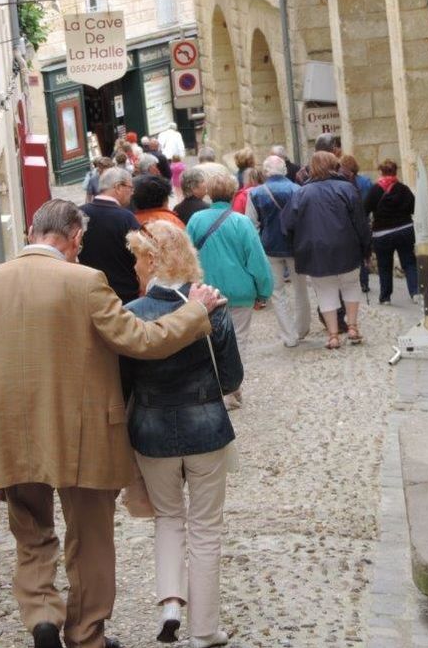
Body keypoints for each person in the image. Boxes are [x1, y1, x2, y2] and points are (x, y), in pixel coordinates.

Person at [0, 199, 222, 648]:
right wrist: (195, 312)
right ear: (76, 238)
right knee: (91, 540)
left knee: (31, 534)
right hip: (85, 436)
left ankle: (41, 615)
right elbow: (140, 340)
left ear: (33, 229)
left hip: (9, 435)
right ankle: (86, 633)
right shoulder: (86, 281)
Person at [121, 222, 243, 648]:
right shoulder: (212, 306)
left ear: (152, 261)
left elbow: (124, 384)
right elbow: (231, 378)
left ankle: (171, 603)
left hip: (152, 431)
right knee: (206, 527)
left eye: (138, 257)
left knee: (168, 518)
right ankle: (205, 630)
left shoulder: (132, 312)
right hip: (206, 426)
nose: (134, 265)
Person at [187, 173, 273, 408]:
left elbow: (187, 256)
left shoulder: (195, 220)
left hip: (207, 292)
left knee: (212, 341)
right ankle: (232, 388)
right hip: (240, 291)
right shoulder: (241, 222)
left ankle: (220, 388)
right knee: (238, 341)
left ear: (209, 193)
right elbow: (256, 260)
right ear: (234, 193)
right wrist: (263, 291)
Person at [281, 152, 371, 349]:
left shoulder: (301, 193)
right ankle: (353, 327)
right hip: (348, 247)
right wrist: (366, 250)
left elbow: (287, 224)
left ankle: (333, 335)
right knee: (351, 285)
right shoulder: (347, 188)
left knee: (325, 291)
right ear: (334, 165)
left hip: (315, 252)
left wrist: (298, 244)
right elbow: (361, 223)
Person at [246, 155, 310, 347]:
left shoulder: (256, 193)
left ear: (265, 172)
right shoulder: (298, 190)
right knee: (301, 289)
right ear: (284, 170)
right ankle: (301, 329)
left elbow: (251, 224)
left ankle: (289, 335)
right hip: (295, 245)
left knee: (277, 292)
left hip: (270, 246)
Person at [79, 167, 141, 303]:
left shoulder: (78, 214)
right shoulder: (126, 218)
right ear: (118, 187)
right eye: (131, 188)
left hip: (87, 294)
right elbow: (141, 257)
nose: (132, 193)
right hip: (123, 296)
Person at [364, 159, 418, 305]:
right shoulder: (403, 189)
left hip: (382, 234)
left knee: (384, 266)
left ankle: (385, 297)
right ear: (395, 172)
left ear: (381, 172)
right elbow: (413, 207)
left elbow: (365, 209)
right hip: (404, 229)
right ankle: (415, 292)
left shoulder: (375, 190)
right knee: (409, 262)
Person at [338, 155, 373, 293]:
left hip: (349, 220)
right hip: (364, 218)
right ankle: (364, 282)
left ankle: (352, 280)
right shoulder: (366, 182)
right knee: (363, 249)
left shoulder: (343, 184)